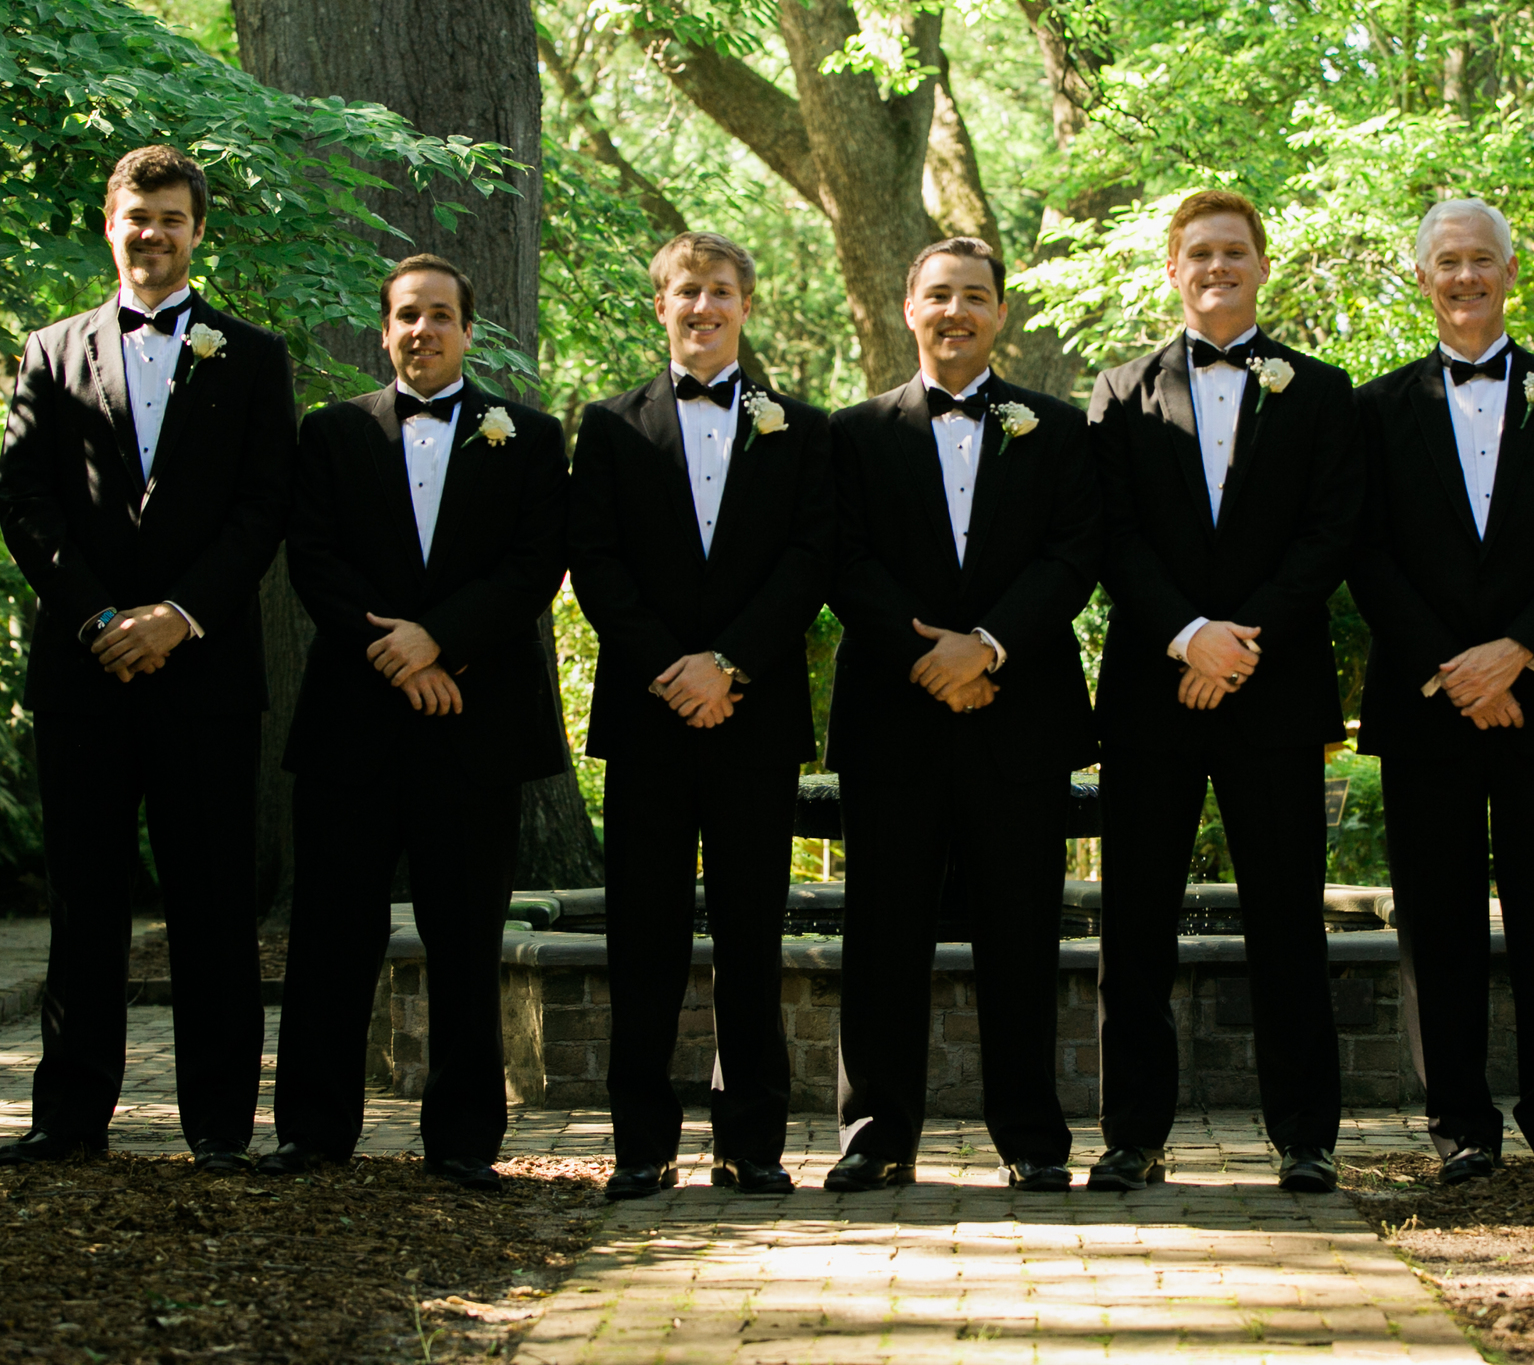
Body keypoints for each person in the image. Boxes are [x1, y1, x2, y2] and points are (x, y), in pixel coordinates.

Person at [0, 144, 293, 1173]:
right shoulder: (48, 347)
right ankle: (69, 1115)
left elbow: (264, 509)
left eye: (171, 216)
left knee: (212, 900)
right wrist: (99, 620)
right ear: (109, 222)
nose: (153, 233)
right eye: (137, 215)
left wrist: (176, 614)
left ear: (197, 229)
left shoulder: (252, 357)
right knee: (85, 898)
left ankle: (217, 1125)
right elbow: (23, 502)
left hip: (203, 672)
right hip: (86, 673)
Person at [259, 254, 569, 1191]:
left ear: (470, 331)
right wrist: (395, 653)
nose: (423, 330)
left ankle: (465, 1137)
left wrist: (443, 643)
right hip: (355, 720)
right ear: (384, 329)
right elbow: (312, 557)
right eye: (407, 316)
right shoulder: (332, 433)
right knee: (329, 934)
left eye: (441, 315)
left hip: (473, 722)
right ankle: (313, 1131)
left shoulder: (531, 435)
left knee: (466, 935)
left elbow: (535, 565)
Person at [1085, 190, 1360, 1195]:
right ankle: (1132, 1135)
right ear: (1172, 267)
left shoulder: (1322, 393)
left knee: (1287, 918)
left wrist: (1242, 639)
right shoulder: (1117, 392)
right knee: (1136, 920)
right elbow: (1109, 533)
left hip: (1274, 685)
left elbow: (1330, 531)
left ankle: (1304, 1135)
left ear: (1261, 263)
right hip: (1152, 689)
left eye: (1234, 250)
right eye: (1198, 251)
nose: (1216, 265)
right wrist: (1186, 635)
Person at [819, 237, 1100, 1193]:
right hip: (893, 716)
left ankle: (1030, 1133)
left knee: (1021, 930)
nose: (955, 311)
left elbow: (1071, 557)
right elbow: (842, 561)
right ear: (908, 308)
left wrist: (984, 647)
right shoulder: (851, 433)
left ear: (1000, 314)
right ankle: (876, 1131)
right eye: (938, 294)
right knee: (882, 929)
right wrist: (927, 657)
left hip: (1018, 714)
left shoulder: (1057, 430)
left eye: (974, 296)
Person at [1347, 199, 1534, 1179]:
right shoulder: (1373, 409)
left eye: (1481, 261)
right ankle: (1459, 1119)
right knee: (1439, 914)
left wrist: (1515, 652)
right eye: (1446, 262)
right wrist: (1455, 668)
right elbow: (1365, 551)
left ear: (1511, 271)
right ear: (1422, 277)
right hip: (1426, 705)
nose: (1464, 277)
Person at [569, 231, 832, 1200]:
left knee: (751, 935)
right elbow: (594, 562)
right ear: (661, 305)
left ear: (745, 305)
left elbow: (810, 558)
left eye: (721, 290)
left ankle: (750, 1144)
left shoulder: (802, 429)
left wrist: (727, 664)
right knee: (644, 938)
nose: (703, 306)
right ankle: (641, 1145)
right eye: (686, 290)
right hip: (647, 715)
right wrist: (672, 668)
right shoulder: (608, 425)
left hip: (753, 715)